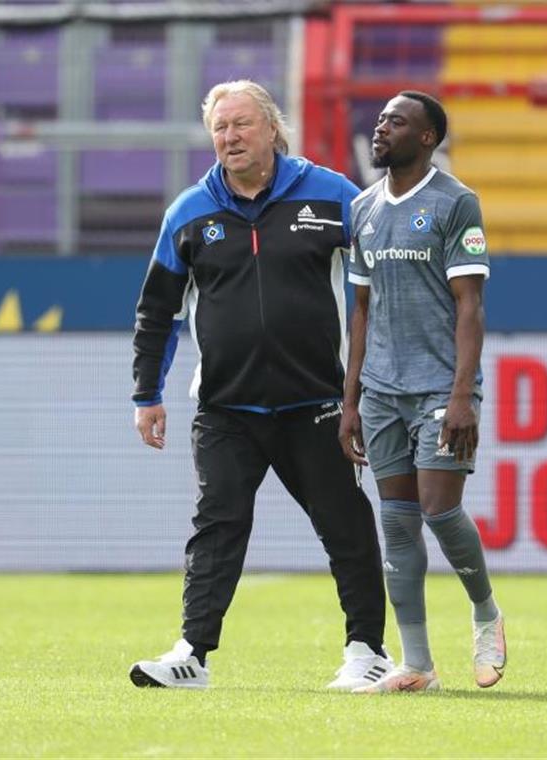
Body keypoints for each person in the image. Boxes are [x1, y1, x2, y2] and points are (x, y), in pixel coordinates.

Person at [128, 80, 390, 690]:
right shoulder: (188, 212)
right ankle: (192, 654)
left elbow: (385, 276)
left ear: (272, 128)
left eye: (242, 124)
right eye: (220, 128)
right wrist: (147, 394)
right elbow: (157, 312)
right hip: (225, 411)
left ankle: (366, 652)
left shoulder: (333, 196)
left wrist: (375, 383)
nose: (230, 137)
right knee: (217, 528)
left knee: (347, 527)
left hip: (317, 407)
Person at [339, 91, 506, 694]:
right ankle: (417, 664)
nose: (381, 128)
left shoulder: (455, 202)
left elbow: (471, 305)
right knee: (398, 525)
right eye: (380, 118)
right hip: (380, 390)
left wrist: (463, 395)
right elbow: (359, 310)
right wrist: (351, 398)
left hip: (440, 385)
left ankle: (486, 613)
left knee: (438, 508)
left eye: (397, 121)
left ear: (428, 137)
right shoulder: (361, 208)